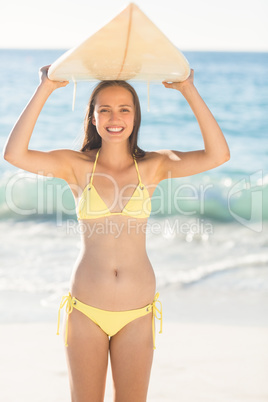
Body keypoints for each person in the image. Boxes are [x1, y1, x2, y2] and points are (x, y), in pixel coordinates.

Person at [3, 65, 230, 402]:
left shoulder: (154, 165)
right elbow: (14, 154)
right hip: (86, 310)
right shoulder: (75, 165)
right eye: (104, 109)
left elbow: (219, 154)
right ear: (93, 117)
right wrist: (46, 88)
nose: (115, 116)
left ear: (135, 117)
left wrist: (188, 90)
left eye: (125, 108)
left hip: (137, 313)